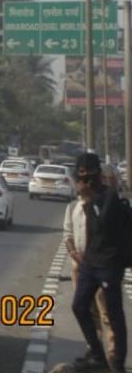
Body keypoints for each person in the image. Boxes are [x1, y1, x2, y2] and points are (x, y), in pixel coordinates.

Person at [70, 153, 127, 372]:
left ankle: (117, 363)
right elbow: (90, 229)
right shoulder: (86, 199)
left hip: (110, 264)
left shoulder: (109, 195)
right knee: (79, 306)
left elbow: (103, 225)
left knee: (114, 314)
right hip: (91, 262)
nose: (83, 180)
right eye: (80, 175)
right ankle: (96, 354)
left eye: (86, 175)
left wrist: (90, 198)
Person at [64, 175, 116, 366]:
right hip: (81, 267)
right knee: (85, 309)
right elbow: (67, 234)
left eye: (79, 182)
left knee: (107, 313)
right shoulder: (72, 207)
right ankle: (94, 351)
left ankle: (112, 356)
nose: (76, 185)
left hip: (101, 267)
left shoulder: (101, 207)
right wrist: (73, 254)